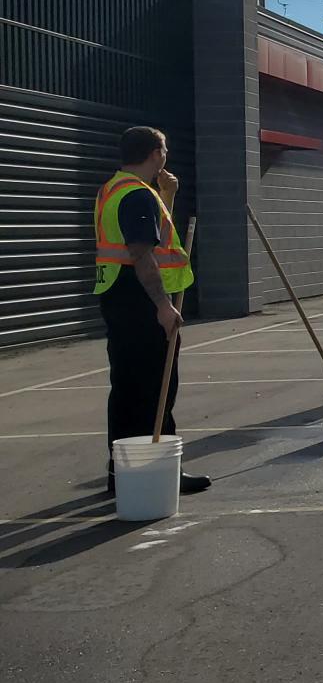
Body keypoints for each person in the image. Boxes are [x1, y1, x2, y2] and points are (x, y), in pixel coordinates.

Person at [95, 127, 207, 493]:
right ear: (155, 154)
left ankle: (122, 472)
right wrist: (162, 306)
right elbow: (142, 254)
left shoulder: (115, 189)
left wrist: (167, 196)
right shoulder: (136, 196)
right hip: (140, 300)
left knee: (127, 387)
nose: (166, 156)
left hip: (118, 295)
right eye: (165, 149)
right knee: (155, 387)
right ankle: (157, 471)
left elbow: (153, 238)